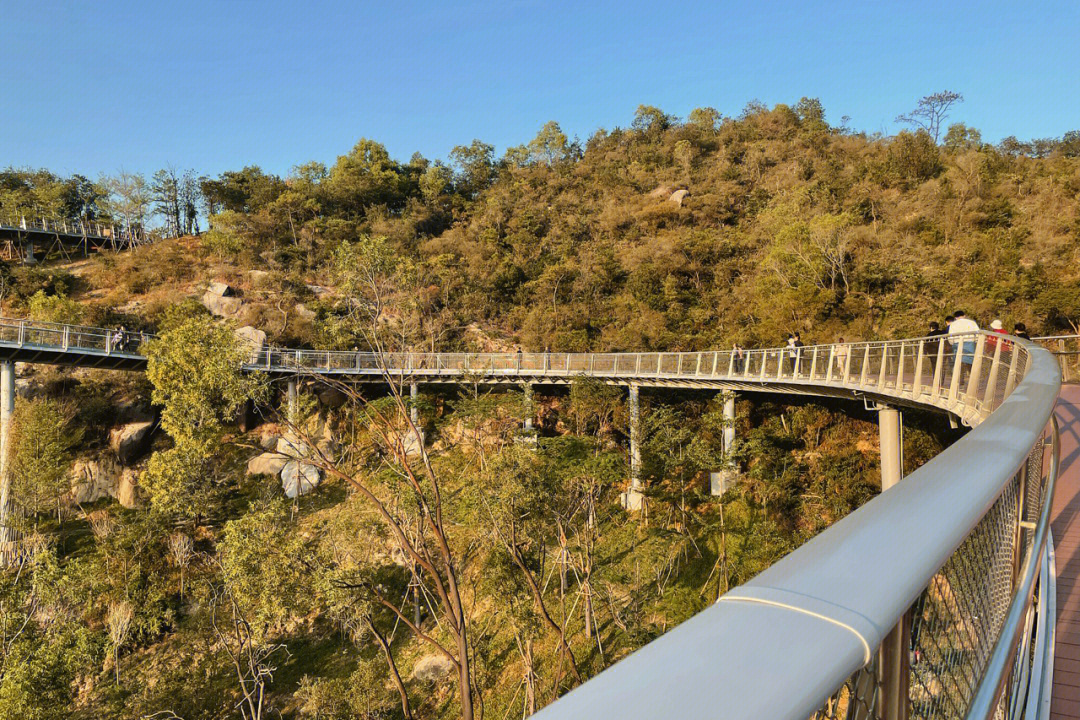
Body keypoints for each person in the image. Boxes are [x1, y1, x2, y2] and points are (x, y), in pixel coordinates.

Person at [948, 310, 980, 382]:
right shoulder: (972, 322)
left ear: (955, 317)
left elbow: (950, 336)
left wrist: (951, 343)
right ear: (964, 315)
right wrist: (976, 341)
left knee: (959, 363)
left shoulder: (953, 324)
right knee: (970, 362)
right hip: (970, 342)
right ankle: (973, 380)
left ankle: (960, 381)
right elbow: (978, 333)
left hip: (957, 343)